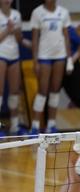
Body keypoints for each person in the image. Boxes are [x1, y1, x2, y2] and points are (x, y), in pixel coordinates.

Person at [30, 0, 73, 135]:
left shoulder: (64, 12)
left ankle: (51, 125)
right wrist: (35, 61)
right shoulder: (37, 12)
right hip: (44, 57)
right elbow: (35, 38)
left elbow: (66, 37)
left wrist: (69, 59)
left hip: (60, 56)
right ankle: (35, 126)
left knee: (55, 90)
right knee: (42, 91)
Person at [0, 0, 27, 135]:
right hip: (1, 55)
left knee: (14, 92)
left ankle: (15, 126)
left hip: (14, 55)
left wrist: (17, 32)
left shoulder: (17, 14)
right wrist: (7, 29)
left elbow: (19, 39)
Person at [62, 25, 80, 120]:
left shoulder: (69, 30)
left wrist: (71, 62)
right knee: (49, 95)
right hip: (53, 64)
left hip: (72, 64)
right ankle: (47, 125)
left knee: (76, 96)